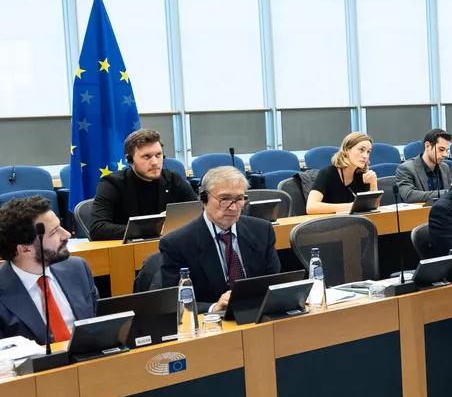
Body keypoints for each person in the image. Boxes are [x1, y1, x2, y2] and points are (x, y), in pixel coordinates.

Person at [159, 166, 281, 314]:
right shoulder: (177, 244)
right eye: (224, 199)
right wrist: (213, 308)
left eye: (239, 199)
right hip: (212, 322)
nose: (233, 208)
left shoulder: (262, 231)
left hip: (256, 315)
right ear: (204, 199)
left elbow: (274, 283)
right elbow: (174, 303)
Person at [0, 195, 98, 345]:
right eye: (54, 232)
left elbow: (99, 325)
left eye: (60, 226)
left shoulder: (78, 269)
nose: (66, 234)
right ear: (25, 249)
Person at [88, 128, 197, 241]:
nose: (155, 162)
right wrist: (153, 227)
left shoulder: (173, 180)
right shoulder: (112, 184)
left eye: (158, 155)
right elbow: (97, 229)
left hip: (170, 246)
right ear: (130, 160)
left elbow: (201, 213)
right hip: (128, 249)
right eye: (147, 156)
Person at [307, 132, 378, 214]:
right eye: (361, 150)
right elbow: (311, 207)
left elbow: (373, 206)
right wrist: (351, 206)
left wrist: (373, 183)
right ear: (347, 150)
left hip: (354, 220)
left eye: (368, 152)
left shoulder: (362, 175)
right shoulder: (327, 173)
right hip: (327, 220)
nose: (365, 156)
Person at [395, 129, 452, 203]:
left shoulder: (445, 167)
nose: (445, 154)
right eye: (441, 149)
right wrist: (446, 193)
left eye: (447, 150)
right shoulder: (406, 168)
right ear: (427, 146)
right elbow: (409, 195)